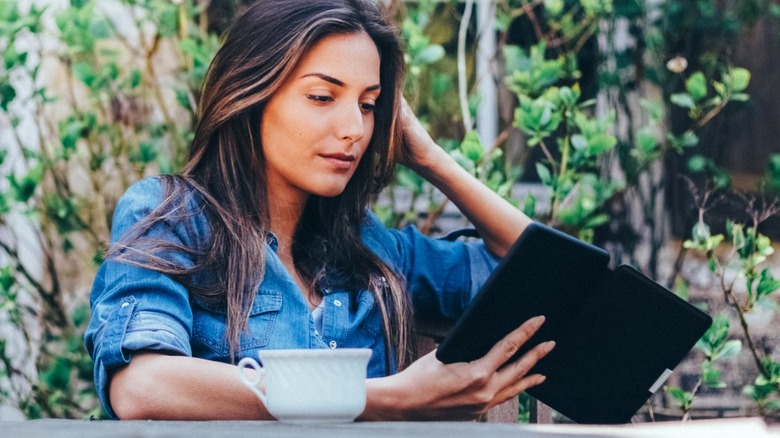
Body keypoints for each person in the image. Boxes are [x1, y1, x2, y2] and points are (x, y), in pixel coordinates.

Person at [84, 0, 555, 421]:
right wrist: (385, 399)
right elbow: (141, 385)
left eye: (369, 105)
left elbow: (544, 274)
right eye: (322, 97)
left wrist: (432, 158)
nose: (354, 127)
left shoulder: (370, 249)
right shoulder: (175, 217)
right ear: (251, 94)